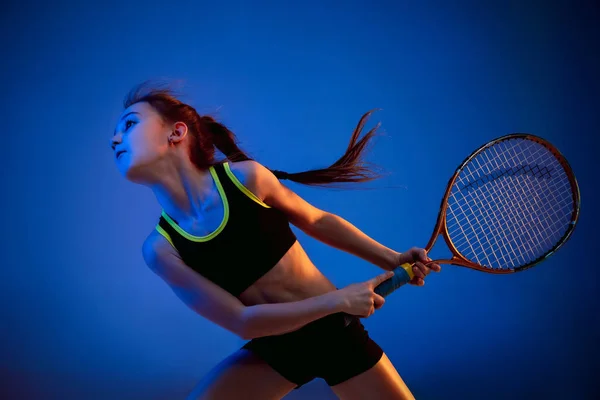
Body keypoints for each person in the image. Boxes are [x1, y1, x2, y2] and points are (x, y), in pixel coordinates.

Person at [110, 81, 441, 400]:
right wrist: (338, 301)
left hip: (334, 336)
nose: (115, 139)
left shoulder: (245, 178)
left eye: (129, 124)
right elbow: (242, 321)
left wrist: (391, 259)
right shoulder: (161, 249)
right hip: (276, 349)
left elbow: (318, 220)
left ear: (176, 132)